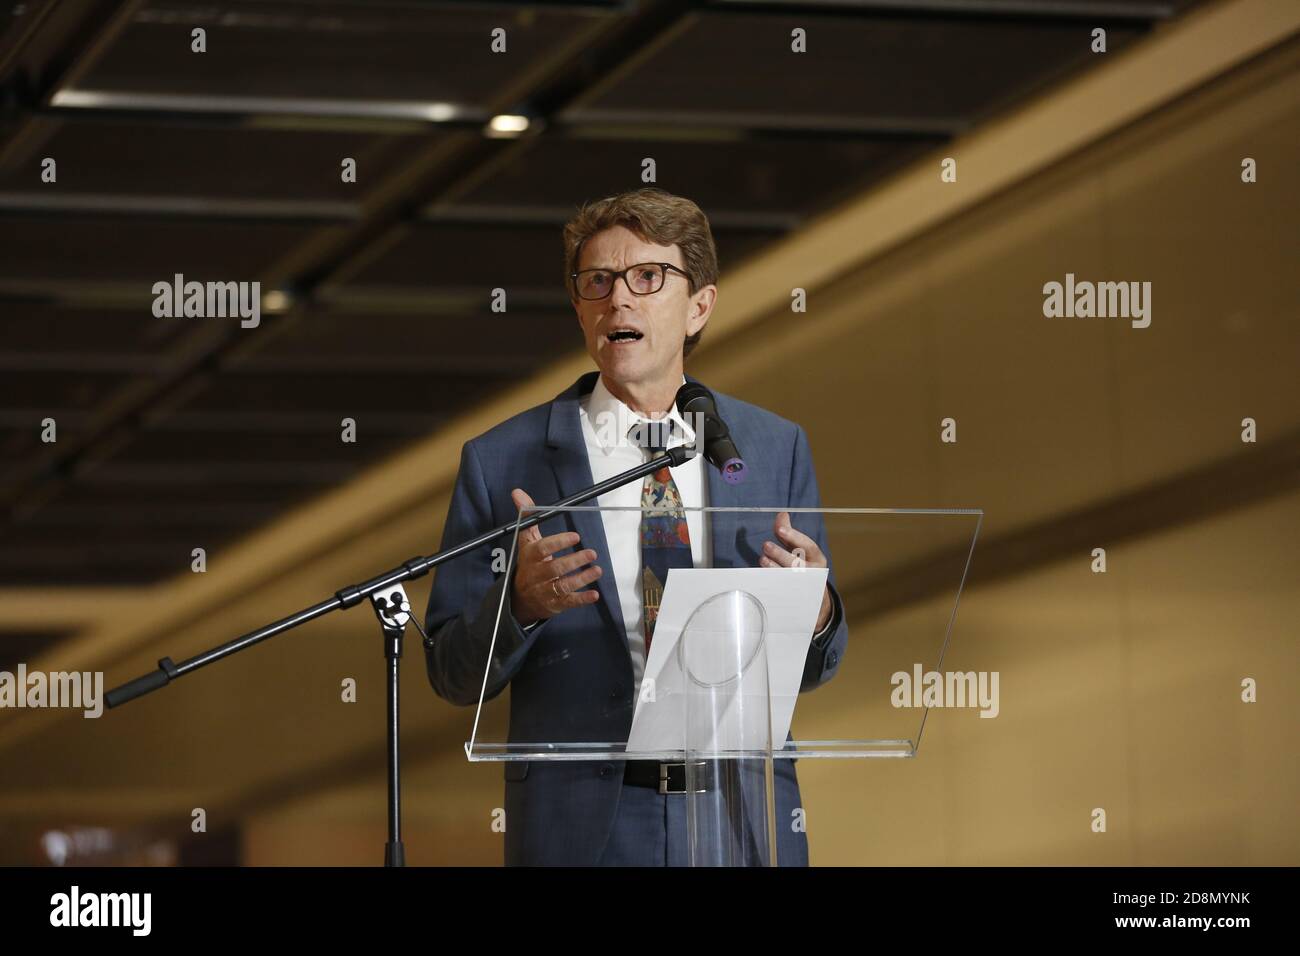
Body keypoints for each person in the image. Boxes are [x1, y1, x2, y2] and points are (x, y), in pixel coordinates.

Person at [423, 187, 848, 865]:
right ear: (579, 305)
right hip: (583, 825)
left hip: (740, 816)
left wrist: (818, 609)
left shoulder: (771, 448)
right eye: (597, 281)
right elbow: (449, 672)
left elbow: (818, 662)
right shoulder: (502, 461)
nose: (618, 299)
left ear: (699, 305)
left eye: (646, 277)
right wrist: (520, 608)